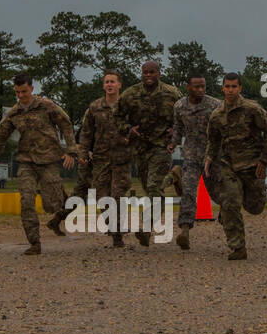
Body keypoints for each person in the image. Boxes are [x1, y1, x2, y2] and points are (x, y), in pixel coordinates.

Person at [0, 74, 82, 255]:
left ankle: (61, 197)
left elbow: (66, 124)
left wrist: (71, 150)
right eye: (17, 92)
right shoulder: (14, 113)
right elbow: (1, 135)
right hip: (26, 161)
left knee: (51, 205)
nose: (21, 96)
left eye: (24, 91)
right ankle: (34, 242)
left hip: (49, 160)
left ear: (32, 89)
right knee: (26, 200)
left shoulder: (46, 106)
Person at [204, 73, 267, 260]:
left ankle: (229, 211)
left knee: (255, 207)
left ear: (240, 88)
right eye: (227, 86)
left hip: (252, 166)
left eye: (234, 86)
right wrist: (210, 157)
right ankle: (238, 247)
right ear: (222, 88)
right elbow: (213, 139)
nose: (230, 90)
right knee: (230, 201)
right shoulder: (217, 115)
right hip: (228, 165)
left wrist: (264, 160)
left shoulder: (252, 109)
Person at [117, 61, 182, 246]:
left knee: (154, 188)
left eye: (152, 72)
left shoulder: (172, 93)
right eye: (145, 72)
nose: (148, 76)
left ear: (159, 73)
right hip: (140, 149)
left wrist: (175, 133)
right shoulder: (130, 94)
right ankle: (174, 176)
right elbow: (117, 117)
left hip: (161, 147)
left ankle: (146, 228)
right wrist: (128, 129)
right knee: (151, 187)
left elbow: (183, 116)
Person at [72, 69, 131, 248]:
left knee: (118, 195)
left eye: (113, 82)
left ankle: (117, 234)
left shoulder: (128, 106)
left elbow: (138, 127)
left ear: (120, 84)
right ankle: (112, 225)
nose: (109, 85)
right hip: (100, 159)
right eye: (107, 82)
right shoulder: (95, 107)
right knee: (103, 196)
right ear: (103, 85)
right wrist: (82, 153)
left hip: (122, 158)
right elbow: (86, 132)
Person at [167, 75, 222, 250]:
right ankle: (185, 230)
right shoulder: (180, 106)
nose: (200, 90)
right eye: (197, 87)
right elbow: (178, 128)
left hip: (212, 156)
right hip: (190, 155)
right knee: (189, 191)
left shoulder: (214, 105)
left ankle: (227, 220)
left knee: (218, 193)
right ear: (188, 87)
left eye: (203, 87)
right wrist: (173, 142)